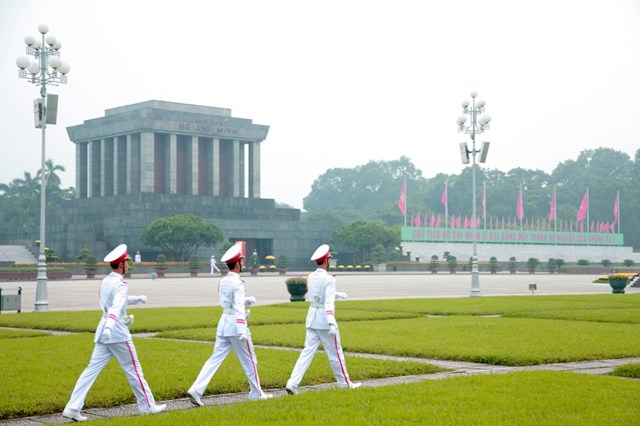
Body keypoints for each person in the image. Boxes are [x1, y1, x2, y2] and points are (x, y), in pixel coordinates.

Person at [62, 244, 166, 422]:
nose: (129, 266)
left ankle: (72, 407)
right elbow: (116, 307)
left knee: (91, 370)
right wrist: (111, 326)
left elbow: (115, 302)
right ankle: (148, 406)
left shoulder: (106, 281)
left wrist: (137, 299)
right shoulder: (121, 284)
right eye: (127, 263)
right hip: (116, 332)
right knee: (134, 370)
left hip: (103, 330)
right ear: (121, 265)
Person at [187, 244, 272, 405]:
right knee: (250, 360)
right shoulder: (238, 283)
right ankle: (257, 393)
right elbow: (238, 308)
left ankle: (196, 389)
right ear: (237, 263)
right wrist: (242, 330)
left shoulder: (224, 281)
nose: (243, 263)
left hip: (224, 324)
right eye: (242, 261)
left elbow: (229, 302)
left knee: (214, 359)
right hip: (236, 325)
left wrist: (247, 300)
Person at [285, 244, 360, 395]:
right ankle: (344, 383)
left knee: (307, 352)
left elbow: (318, 294)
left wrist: (337, 294)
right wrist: (331, 322)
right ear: (326, 261)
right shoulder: (330, 279)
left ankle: (292, 383)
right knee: (335, 353)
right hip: (325, 321)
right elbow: (328, 302)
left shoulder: (311, 276)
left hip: (312, 318)